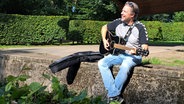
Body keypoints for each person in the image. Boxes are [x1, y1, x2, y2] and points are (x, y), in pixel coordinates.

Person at [98, 1, 149, 104]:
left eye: (124, 11)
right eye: (122, 10)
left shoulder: (140, 27)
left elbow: (145, 47)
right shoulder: (118, 22)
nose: (121, 13)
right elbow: (104, 27)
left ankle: (112, 96)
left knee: (125, 65)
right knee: (101, 63)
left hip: (133, 57)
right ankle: (114, 96)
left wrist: (139, 51)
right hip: (119, 54)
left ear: (132, 15)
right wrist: (104, 40)